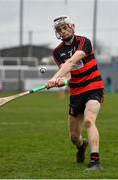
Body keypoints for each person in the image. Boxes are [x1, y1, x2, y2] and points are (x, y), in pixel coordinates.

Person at [46, 15, 105, 171]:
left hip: (93, 87)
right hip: (76, 93)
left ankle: (95, 162)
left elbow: (72, 61)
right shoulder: (57, 52)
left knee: (89, 120)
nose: (63, 31)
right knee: (74, 137)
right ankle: (82, 145)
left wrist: (54, 76)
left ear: (72, 26)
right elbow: (68, 75)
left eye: (65, 27)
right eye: (59, 29)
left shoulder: (83, 42)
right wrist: (60, 81)